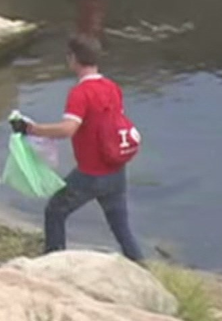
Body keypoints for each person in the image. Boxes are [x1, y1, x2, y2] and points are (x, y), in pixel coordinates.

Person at [10, 34, 146, 262]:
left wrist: (32, 129)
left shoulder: (80, 93)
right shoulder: (112, 87)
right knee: (121, 227)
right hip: (116, 170)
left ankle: (54, 262)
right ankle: (141, 267)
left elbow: (68, 129)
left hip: (90, 173)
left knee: (55, 211)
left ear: (73, 58)